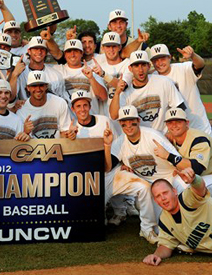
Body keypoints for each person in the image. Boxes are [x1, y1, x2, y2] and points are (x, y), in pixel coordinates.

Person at [73, 93, 156, 237]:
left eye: (85, 105)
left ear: (90, 106)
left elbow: (119, 144)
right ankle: (113, 212)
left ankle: (146, 227)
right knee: (93, 224)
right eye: (78, 106)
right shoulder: (72, 128)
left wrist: (124, 162)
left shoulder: (104, 121)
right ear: (73, 109)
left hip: (111, 171)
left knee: (144, 187)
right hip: (89, 178)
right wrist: (68, 139)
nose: (82, 109)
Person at [143, 168, 212, 265]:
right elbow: (166, 246)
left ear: (174, 191)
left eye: (165, 193)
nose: (163, 198)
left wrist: (194, 180)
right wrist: (156, 255)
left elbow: (200, 189)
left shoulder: (186, 200)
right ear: (156, 201)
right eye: (158, 196)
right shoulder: (164, 221)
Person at [109, 50, 185, 132]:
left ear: (149, 66)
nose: (140, 70)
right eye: (136, 66)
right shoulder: (125, 92)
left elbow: (179, 108)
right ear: (130, 68)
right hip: (141, 138)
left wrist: (171, 132)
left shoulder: (164, 82)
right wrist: (117, 93)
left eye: (143, 65)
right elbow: (114, 116)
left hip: (164, 136)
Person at [150, 44, 211, 135]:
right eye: (156, 60)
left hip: (198, 127)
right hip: (174, 133)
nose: (160, 63)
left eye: (163, 59)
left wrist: (193, 55)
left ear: (169, 57)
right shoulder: (152, 77)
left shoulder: (183, 68)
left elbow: (200, 65)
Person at [154, 108, 212, 189]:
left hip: (209, 175)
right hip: (197, 176)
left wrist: (168, 156)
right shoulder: (169, 138)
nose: (174, 125)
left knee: (184, 186)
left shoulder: (199, 139)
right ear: (166, 125)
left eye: (178, 122)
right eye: (170, 122)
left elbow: (197, 168)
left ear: (187, 123)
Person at [53, 39, 107, 114]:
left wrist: (91, 78)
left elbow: (103, 97)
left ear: (82, 53)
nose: (72, 54)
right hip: (67, 120)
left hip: (90, 119)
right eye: (69, 51)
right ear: (65, 54)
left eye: (76, 51)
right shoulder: (57, 71)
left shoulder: (92, 69)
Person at [16, 71, 71, 139]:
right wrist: (25, 132)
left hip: (58, 147)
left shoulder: (59, 103)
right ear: (28, 88)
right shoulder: (22, 111)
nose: (38, 89)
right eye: (34, 86)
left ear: (46, 86)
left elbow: (65, 132)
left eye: (41, 85)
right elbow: (22, 141)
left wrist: (70, 134)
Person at [12, 36, 67, 101]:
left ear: (46, 52)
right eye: (35, 49)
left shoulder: (56, 75)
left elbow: (62, 100)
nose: (39, 52)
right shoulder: (20, 73)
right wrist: (14, 75)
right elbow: (11, 98)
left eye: (42, 49)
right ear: (29, 51)